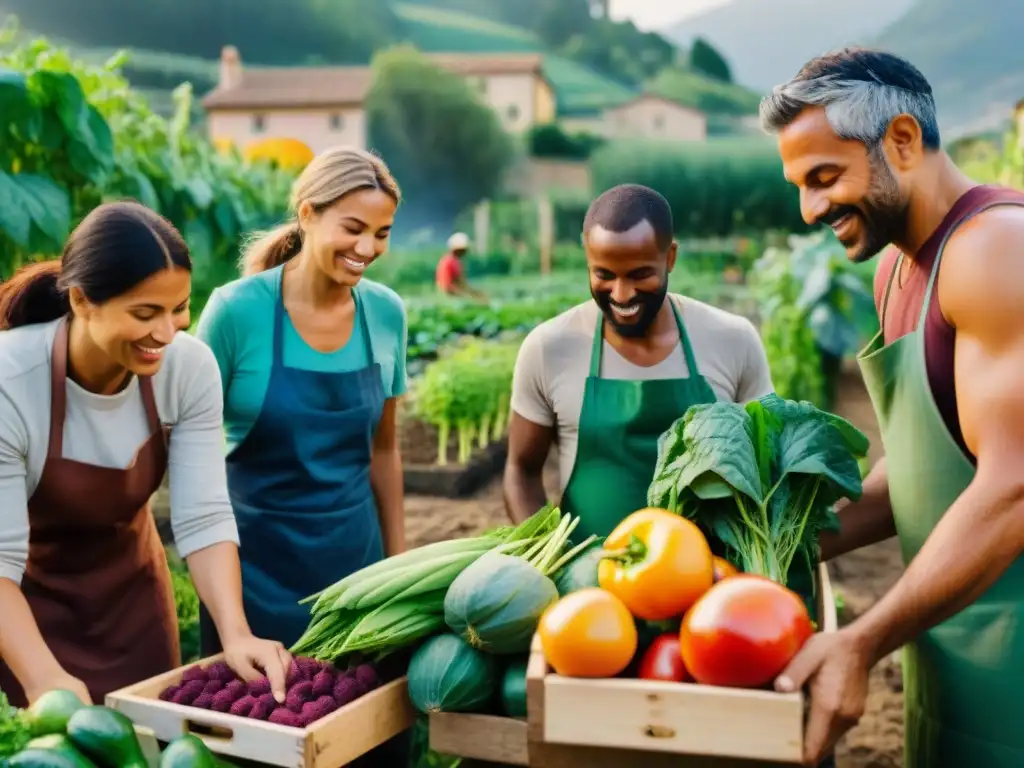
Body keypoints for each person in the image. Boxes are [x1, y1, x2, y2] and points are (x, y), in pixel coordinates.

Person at [760, 47, 1024, 767]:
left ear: (902, 141)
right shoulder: (899, 269)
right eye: (798, 186)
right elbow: (924, 476)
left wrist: (862, 636)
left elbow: (1012, 488)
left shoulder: (996, 251)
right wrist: (776, 540)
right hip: (953, 648)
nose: (810, 208)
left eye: (824, 177)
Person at [0, 201, 290, 708]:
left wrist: (236, 634)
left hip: (132, 612)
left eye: (178, 308)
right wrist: (44, 678)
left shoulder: (188, 368)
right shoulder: (11, 382)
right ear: (83, 300)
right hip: (22, 620)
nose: (166, 333)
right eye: (144, 313)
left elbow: (203, 515)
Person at [193, 147, 409, 765]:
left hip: (356, 571)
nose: (367, 248)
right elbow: (197, 463)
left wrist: (395, 572)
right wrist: (230, 615)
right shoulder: (237, 312)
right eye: (353, 227)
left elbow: (385, 451)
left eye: (382, 233)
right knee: (260, 740)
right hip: (254, 577)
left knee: (366, 742)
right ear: (308, 214)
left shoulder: (386, 313)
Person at [504, 183, 775, 538]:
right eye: (604, 275)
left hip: (712, 582)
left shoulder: (732, 339)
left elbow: (768, 467)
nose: (621, 294)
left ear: (670, 258)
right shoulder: (549, 347)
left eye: (639, 274)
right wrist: (545, 555)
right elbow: (521, 470)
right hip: (591, 585)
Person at [436, 231, 486, 300]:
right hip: (451, 294)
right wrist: (473, 294)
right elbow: (459, 282)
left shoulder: (445, 259)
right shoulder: (452, 261)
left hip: (445, 293)